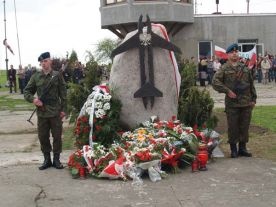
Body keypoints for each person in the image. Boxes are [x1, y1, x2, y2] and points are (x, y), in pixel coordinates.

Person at [212, 43, 257, 158]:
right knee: (233, 127)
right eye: (232, 52)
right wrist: (227, 91)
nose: (235, 54)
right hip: (232, 104)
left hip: (246, 102)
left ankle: (242, 148)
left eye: (236, 52)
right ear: (228, 55)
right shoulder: (224, 68)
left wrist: (254, 99)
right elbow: (215, 82)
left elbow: (251, 84)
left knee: (245, 126)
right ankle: (233, 149)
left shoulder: (244, 67)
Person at [24, 52, 67, 170]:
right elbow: (26, 92)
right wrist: (34, 100)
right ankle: (47, 159)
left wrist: (64, 110)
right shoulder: (36, 76)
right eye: (42, 62)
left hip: (55, 112)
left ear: (50, 61)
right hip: (42, 112)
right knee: (43, 136)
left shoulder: (57, 75)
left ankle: (56, 160)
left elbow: (63, 94)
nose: (43, 64)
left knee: (57, 136)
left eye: (45, 61)